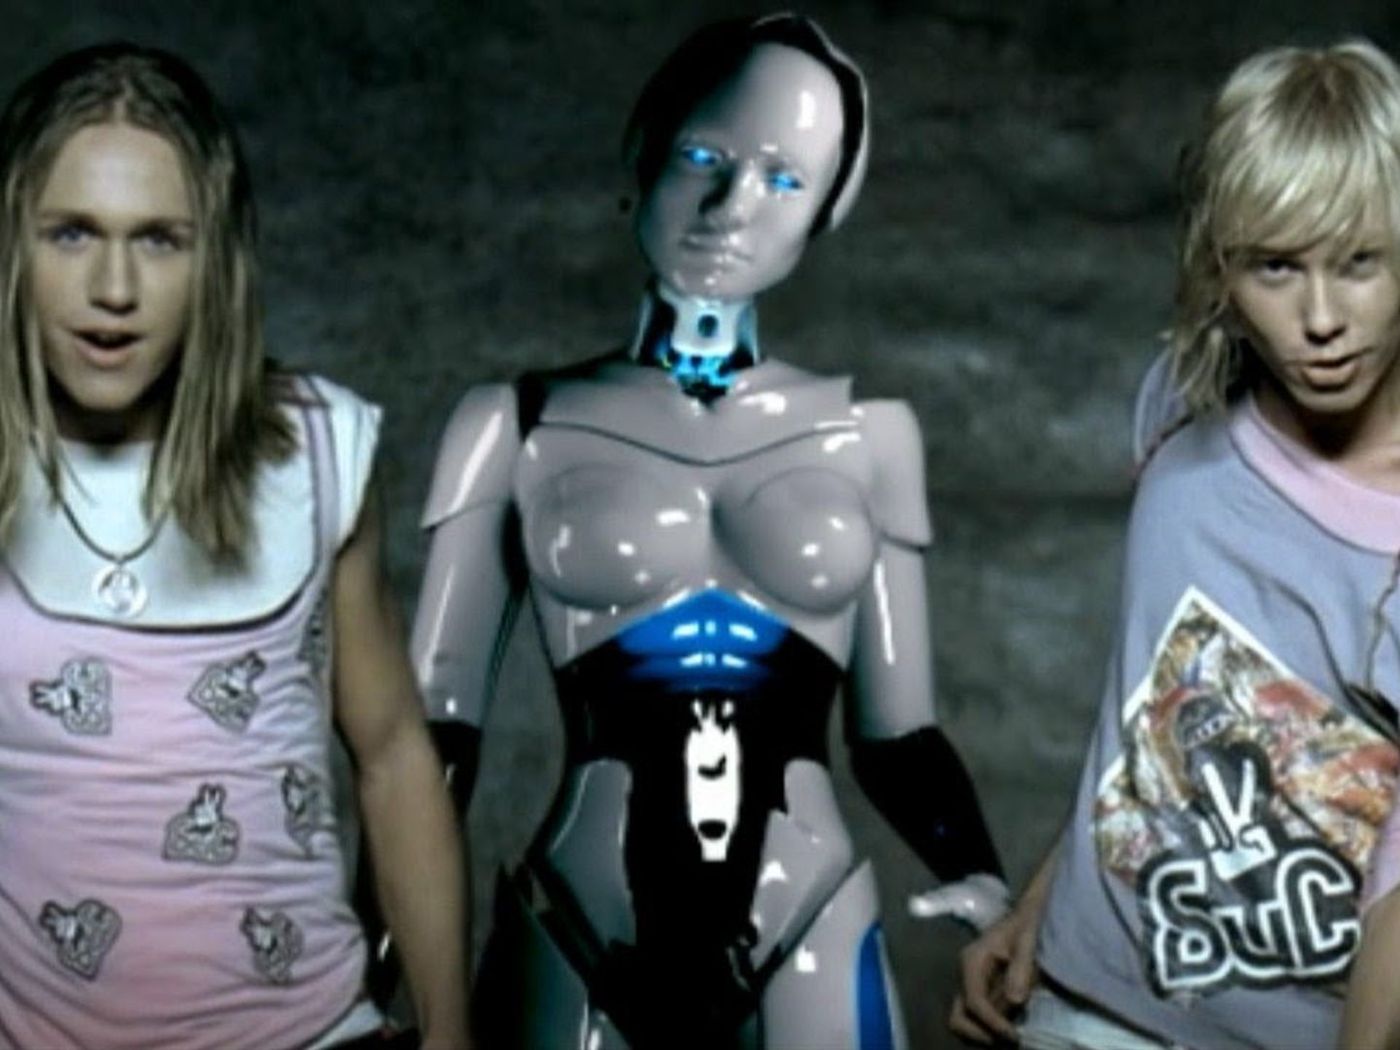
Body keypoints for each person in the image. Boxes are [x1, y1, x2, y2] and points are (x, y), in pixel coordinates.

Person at [412, 13, 1005, 1049]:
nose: (732, 206)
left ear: (824, 210)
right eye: (703, 157)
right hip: (580, 925)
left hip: (808, 922)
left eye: (784, 178)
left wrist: (985, 884)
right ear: (641, 156)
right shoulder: (512, 425)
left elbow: (897, 735)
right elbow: (429, 737)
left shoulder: (870, 437)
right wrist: (374, 952)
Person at [0, 43, 468, 1050]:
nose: (113, 287)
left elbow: (391, 752)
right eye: (72, 233)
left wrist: (449, 1033)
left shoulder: (317, 450)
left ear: (213, 259)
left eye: (159, 239)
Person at [952, 39, 1400, 1050]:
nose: (1320, 319)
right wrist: (1045, 908)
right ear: (1219, 262)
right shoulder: (1179, 406)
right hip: (1084, 1010)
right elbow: (1159, 694)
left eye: (1358, 263)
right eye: (1275, 265)